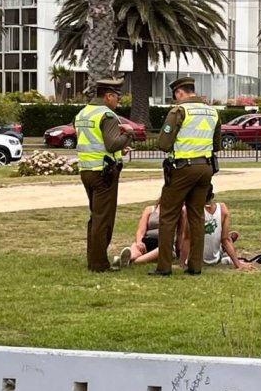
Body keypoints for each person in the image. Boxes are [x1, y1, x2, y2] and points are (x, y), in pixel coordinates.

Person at [150, 77, 221, 276]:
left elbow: (163, 144)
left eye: (175, 96)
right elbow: (216, 144)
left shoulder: (180, 111)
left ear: (180, 92)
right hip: (205, 168)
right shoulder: (212, 112)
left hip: (182, 168)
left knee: (168, 216)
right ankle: (195, 266)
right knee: (196, 216)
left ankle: (164, 267)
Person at [76, 78, 135, 272]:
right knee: (104, 219)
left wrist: (119, 152)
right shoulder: (107, 115)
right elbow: (111, 144)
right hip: (105, 174)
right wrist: (129, 134)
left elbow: (96, 143)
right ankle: (99, 263)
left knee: (95, 216)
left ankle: (93, 258)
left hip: (87, 170)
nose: (119, 100)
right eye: (117, 97)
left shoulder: (83, 113)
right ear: (108, 96)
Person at [179, 187, 254, 271]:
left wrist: (181, 264)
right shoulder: (222, 209)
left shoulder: (190, 211)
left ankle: (224, 250)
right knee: (225, 239)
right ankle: (224, 251)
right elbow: (225, 240)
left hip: (195, 260)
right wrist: (238, 264)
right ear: (212, 196)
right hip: (214, 259)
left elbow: (187, 239)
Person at [114, 200, 187, 266]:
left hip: (165, 243)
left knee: (162, 249)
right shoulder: (150, 210)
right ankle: (129, 258)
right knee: (135, 246)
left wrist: (179, 251)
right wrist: (139, 242)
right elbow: (141, 230)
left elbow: (180, 233)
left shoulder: (179, 212)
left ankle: (128, 261)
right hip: (147, 240)